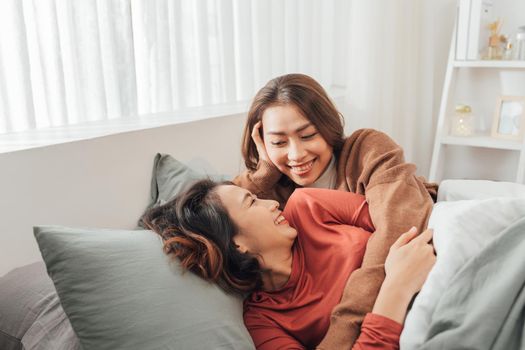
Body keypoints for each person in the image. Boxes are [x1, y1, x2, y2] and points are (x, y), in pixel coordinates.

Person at [233, 73, 438, 348]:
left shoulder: (365, 149)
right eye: (279, 143)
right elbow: (222, 209)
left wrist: (342, 330)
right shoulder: (274, 202)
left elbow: (399, 227)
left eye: (308, 135)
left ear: (328, 127)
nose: (296, 154)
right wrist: (265, 172)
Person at [142, 179, 436, 349]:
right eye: (252, 202)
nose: (271, 203)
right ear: (236, 244)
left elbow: (404, 214)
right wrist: (394, 288)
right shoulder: (263, 323)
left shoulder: (308, 204)